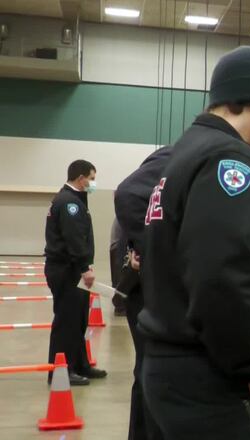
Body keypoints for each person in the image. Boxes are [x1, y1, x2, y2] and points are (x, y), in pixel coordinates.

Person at [137, 46, 250, 439]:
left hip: (175, 367)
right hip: (219, 379)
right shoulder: (230, 161)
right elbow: (221, 277)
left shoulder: (185, 155)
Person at [114, 145, 172, 440]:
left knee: (148, 372)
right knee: (153, 373)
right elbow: (128, 193)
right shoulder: (183, 154)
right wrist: (157, 251)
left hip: (149, 286)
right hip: (149, 291)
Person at [44, 160, 107, 386]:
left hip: (71, 269)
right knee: (67, 322)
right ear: (80, 178)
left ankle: (79, 364)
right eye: (91, 178)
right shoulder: (69, 203)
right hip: (66, 270)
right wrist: (84, 268)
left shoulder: (73, 200)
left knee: (79, 320)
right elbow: (73, 239)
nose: (93, 183)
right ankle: (61, 371)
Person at [110, 218, 128, 316]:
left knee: (119, 278)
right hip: (119, 246)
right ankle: (120, 306)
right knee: (121, 279)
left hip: (118, 246)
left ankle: (120, 305)